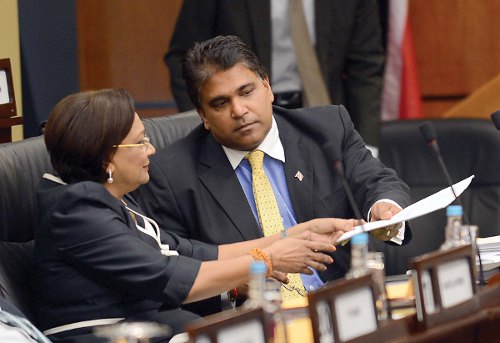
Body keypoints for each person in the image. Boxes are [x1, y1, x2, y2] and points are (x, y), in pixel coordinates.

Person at [32, 88, 355, 342]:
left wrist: (293, 234)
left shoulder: (113, 200)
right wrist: (268, 260)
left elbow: (193, 253)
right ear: (106, 157)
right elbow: (169, 277)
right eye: (139, 143)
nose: (151, 150)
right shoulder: (77, 209)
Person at [135, 35, 411, 316]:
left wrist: (383, 207)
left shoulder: (327, 128)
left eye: (246, 92)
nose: (239, 111)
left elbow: (376, 181)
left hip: (344, 306)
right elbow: (175, 270)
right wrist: (232, 285)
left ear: (267, 87)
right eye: (220, 103)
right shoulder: (170, 174)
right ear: (202, 114)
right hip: (252, 319)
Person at [164, 0, 385, 147]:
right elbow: (185, 57)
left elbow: (365, 66)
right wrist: (207, 127)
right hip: (244, 117)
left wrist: (367, 145)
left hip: (321, 116)